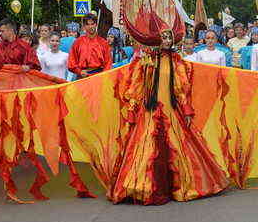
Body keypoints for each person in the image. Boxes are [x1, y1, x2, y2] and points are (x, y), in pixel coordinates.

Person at [113, 19, 229, 204]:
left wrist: (187, 110)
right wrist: (134, 108)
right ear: (157, 39)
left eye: (169, 38)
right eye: (164, 37)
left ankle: (184, 186)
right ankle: (141, 186)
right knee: (146, 147)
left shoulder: (176, 61)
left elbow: (181, 88)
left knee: (179, 145)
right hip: (150, 109)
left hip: (171, 109)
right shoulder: (147, 59)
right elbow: (137, 85)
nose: (167, 41)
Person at [67, 13, 110, 78]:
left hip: (99, 77)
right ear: (84, 26)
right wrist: (79, 71)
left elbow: (108, 63)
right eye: (87, 24)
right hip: (82, 77)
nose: (90, 27)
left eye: (92, 24)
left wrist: (103, 76)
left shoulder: (103, 43)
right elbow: (71, 62)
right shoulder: (78, 42)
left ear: (96, 24)